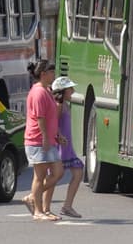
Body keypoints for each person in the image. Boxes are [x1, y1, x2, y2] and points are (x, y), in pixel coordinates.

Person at [21, 59, 64, 221]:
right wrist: (46, 137)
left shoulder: (46, 90)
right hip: (37, 140)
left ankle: (43, 206)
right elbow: (40, 118)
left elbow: (52, 117)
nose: (54, 75)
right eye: (52, 72)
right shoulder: (38, 92)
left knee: (57, 173)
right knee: (40, 176)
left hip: (48, 140)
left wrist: (57, 134)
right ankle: (38, 210)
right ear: (43, 74)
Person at [50, 76, 83, 218]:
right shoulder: (59, 106)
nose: (73, 91)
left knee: (78, 172)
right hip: (60, 147)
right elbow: (54, 123)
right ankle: (36, 199)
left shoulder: (65, 105)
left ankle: (67, 206)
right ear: (62, 91)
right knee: (53, 177)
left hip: (67, 147)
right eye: (70, 89)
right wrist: (59, 137)